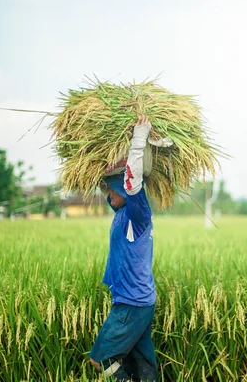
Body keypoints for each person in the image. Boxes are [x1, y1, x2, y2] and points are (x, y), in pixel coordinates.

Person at [89, 115, 158, 381]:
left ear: (123, 189)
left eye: (111, 190)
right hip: (137, 300)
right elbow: (116, 187)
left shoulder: (137, 214)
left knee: (100, 359)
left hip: (132, 303)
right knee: (143, 362)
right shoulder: (120, 213)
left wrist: (139, 138)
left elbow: (132, 181)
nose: (108, 196)